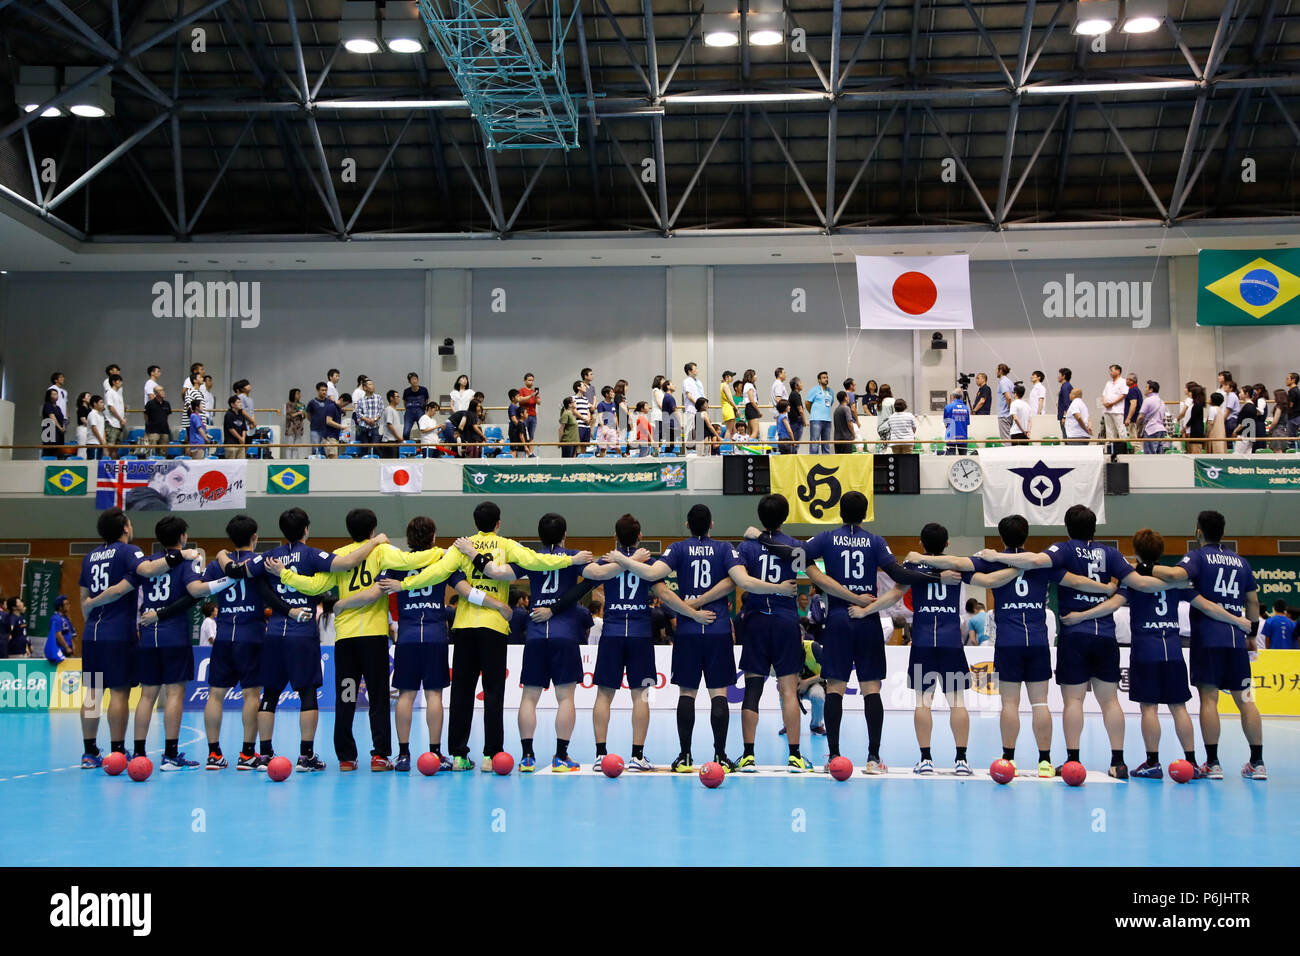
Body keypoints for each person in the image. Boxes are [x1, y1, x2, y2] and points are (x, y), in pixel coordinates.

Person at [387, 502, 590, 772]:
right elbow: (538, 561)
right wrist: (570, 560)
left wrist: (404, 584)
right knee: (493, 692)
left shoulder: (461, 547)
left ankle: (458, 755)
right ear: (498, 523)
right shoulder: (507, 545)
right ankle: (491, 756)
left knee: (462, 693)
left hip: (465, 626)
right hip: (494, 627)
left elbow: (434, 574)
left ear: (475, 522)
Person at [979, 504, 1176, 779]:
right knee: (1110, 702)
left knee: (1073, 701)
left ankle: (1073, 761)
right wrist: (1175, 584)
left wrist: (993, 555)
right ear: (1095, 528)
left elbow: (1037, 563)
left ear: (1068, 528)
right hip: (1106, 636)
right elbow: (1140, 584)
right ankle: (1117, 763)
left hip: (1074, 635)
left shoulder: (1063, 550)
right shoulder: (1111, 553)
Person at [765, 492, 949, 773]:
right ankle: (873, 759)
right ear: (865, 514)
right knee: (871, 689)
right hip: (868, 618)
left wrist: (763, 539)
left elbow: (795, 555)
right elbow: (899, 575)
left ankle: (834, 758)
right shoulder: (876, 542)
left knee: (835, 689)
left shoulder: (826, 538)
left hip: (838, 619)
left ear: (840, 512)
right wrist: (935, 575)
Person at [272, 508, 447, 771]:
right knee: (378, 698)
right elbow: (411, 561)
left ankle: (345, 757)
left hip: (346, 639)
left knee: (346, 697)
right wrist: (443, 552)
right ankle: (379, 756)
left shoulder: (340, 555)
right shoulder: (382, 551)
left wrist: (285, 574)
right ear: (373, 530)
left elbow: (314, 586)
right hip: (374, 639)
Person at [927, 515, 1091, 777]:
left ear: (1001, 538)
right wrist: (1107, 588)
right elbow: (1078, 582)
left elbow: (955, 563)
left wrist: (920, 558)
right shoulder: (1041, 563)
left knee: (1010, 705)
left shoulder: (990, 560)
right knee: (1040, 704)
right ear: (1026, 536)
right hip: (1037, 641)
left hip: (1008, 642)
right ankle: (1045, 763)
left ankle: (1009, 760)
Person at [348, 517, 507, 772]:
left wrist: (343, 604)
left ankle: (402, 754)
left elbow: (373, 592)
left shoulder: (397, 563)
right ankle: (435, 752)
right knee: (434, 694)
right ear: (433, 536)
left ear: (409, 538)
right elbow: (467, 592)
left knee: (406, 695)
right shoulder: (442, 561)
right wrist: (497, 604)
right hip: (434, 635)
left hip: (407, 636)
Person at [605, 504, 751, 773]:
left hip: (688, 629)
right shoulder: (725, 549)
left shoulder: (678, 548)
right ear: (712, 525)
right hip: (717, 626)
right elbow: (736, 581)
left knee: (688, 693)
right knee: (718, 693)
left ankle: (685, 757)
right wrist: (704, 604)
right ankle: (720, 755)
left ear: (686, 525)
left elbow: (652, 576)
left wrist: (623, 559)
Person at [1058, 529, 1208, 780]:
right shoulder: (1175, 580)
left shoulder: (1133, 579)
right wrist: (1239, 621)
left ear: (1136, 552)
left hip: (1146, 650)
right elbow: (1205, 604)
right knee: (1179, 707)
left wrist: (1081, 616)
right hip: (1172, 649)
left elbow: (1113, 604)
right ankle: (1192, 762)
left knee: (1149, 708)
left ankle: (1152, 762)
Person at [872, 523, 1018, 775]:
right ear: (947, 544)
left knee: (922, 703)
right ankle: (961, 760)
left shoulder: (913, 566)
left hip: (923, 643)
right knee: (957, 703)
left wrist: (867, 610)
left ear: (921, 543)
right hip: (951, 643)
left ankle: (926, 759)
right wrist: (1019, 567)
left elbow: (894, 595)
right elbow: (990, 580)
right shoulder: (957, 566)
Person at [1144, 510, 1265, 780]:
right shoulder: (1241, 562)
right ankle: (1257, 762)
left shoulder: (1198, 557)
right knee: (1246, 700)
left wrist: (1146, 567)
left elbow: (1176, 575)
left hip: (1208, 639)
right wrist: (1251, 634)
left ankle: (1213, 763)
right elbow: (1253, 602)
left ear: (1198, 531)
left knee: (1209, 700)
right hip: (1236, 640)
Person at [76, 507, 192, 768]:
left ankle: (89, 751)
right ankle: (118, 750)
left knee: (93, 693)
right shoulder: (129, 551)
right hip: (118, 634)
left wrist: (92, 618)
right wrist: (180, 555)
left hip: (92, 633)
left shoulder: (90, 557)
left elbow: (84, 599)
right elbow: (149, 570)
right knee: (119, 692)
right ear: (126, 527)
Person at [549, 514, 660, 772]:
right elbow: (663, 592)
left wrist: (553, 608)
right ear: (640, 535)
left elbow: (581, 589)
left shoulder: (606, 561)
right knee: (642, 696)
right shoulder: (649, 561)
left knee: (604, 695)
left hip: (612, 634)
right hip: (641, 636)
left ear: (615, 536)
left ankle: (600, 754)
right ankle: (638, 756)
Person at [131, 515, 240, 770]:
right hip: (173, 635)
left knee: (147, 695)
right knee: (175, 694)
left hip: (147, 634)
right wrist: (227, 580)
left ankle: (138, 753)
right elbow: (196, 591)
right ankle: (170, 754)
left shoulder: (148, 562)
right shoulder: (187, 560)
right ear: (183, 537)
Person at [490, 513, 592, 772]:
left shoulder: (529, 557)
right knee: (566, 697)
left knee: (529, 697)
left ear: (539, 536)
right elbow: (595, 577)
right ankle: (561, 757)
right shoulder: (574, 556)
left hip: (536, 633)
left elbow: (499, 573)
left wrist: (474, 555)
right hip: (564, 633)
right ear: (565, 534)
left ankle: (526, 757)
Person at [730, 495, 821, 772]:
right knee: (789, 690)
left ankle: (748, 756)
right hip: (784, 622)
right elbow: (809, 566)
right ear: (785, 517)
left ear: (760, 516)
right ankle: (795, 756)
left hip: (756, 621)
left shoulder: (746, 547)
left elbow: (739, 581)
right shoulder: (794, 546)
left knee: (753, 690)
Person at [1100, 364, 1128, 453]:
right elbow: (1104, 394)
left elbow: (1123, 395)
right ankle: (1111, 451)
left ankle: (1123, 450)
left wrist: (1112, 403)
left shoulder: (1123, 382)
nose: (1110, 373)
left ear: (1118, 371)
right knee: (1109, 431)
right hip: (1107, 410)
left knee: (1121, 430)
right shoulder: (1108, 383)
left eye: (1112, 370)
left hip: (1118, 410)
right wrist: (1104, 402)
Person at [806, 371, 834, 454]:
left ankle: (825, 462)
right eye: (824, 378)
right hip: (816, 420)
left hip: (827, 420)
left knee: (826, 443)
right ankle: (813, 461)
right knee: (814, 442)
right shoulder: (814, 390)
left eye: (827, 377)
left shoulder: (830, 391)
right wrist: (813, 413)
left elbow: (830, 404)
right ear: (819, 380)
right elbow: (807, 403)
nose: (826, 379)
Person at [1137, 380, 1166, 454]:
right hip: (1161, 430)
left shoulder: (1148, 400)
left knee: (1149, 455)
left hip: (1151, 429)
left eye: (1146, 387)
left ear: (1151, 390)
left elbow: (1140, 417)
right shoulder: (1162, 402)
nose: (1145, 389)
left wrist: (1138, 428)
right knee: (1160, 454)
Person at [682, 363, 705, 452]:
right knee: (689, 431)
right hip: (691, 409)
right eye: (695, 369)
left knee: (700, 431)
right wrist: (698, 404)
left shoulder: (699, 382)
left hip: (700, 410)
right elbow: (689, 395)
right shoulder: (687, 381)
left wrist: (704, 405)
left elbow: (702, 395)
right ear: (689, 371)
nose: (697, 370)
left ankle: (699, 451)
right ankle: (686, 451)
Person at [45, 595, 75, 662]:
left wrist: (72, 645)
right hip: (60, 651)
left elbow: (69, 633)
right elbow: (58, 634)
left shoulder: (66, 618)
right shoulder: (56, 618)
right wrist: (66, 647)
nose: (69, 606)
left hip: (68, 650)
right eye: (66, 604)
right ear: (60, 607)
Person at [103, 373, 126, 458]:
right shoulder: (110, 392)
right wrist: (120, 419)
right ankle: (107, 464)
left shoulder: (118, 394)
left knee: (116, 447)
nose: (121, 383)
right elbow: (111, 408)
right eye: (119, 381)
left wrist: (123, 419)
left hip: (119, 424)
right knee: (110, 446)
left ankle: (114, 463)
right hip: (112, 423)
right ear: (114, 382)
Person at [401, 373, 429, 441]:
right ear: (409, 381)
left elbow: (427, 400)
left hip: (420, 411)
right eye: (412, 379)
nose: (414, 381)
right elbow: (405, 402)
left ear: (418, 380)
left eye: (415, 379)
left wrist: (423, 408)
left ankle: (425, 446)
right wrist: (409, 409)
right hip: (409, 412)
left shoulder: (424, 390)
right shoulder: (406, 391)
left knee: (423, 430)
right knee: (406, 432)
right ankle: (406, 448)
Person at [942, 389, 970, 455]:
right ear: (961, 397)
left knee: (950, 459)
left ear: (953, 397)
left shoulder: (948, 407)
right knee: (963, 458)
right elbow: (967, 423)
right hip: (963, 437)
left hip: (951, 437)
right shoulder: (966, 408)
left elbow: (945, 422)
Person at [519, 372, 540, 456]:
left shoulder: (534, 392)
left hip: (533, 415)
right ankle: (524, 450)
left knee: (531, 435)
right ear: (525, 381)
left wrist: (535, 396)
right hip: (524, 416)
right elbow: (520, 400)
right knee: (523, 434)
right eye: (529, 380)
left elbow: (539, 402)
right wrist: (530, 396)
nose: (531, 382)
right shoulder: (522, 390)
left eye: (532, 380)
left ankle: (531, 453)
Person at [41, 387, 66, 455]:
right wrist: (60, 427)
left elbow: (62, 418)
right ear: (49, 396)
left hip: (59, 433)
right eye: (54, 394)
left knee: (59, 452)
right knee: (50, 452)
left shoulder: (58, 407)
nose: (56, 396)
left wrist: (63, 426)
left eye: (57, 394)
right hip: (50, 433)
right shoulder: (47, 405)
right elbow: (52, 417)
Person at [223, 395, 249, 459]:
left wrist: (243, 438)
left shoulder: (241, 415)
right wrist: (240, 438)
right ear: (232, 404)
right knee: (231, 464)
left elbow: (244, 428)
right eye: (238, 402)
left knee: (241, 463)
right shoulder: (228, 414)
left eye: (240, 402)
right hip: (231, 444)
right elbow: (231, 429)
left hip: (240, 444)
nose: (240, 404)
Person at [380, 389, 403, 458]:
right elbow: (389, 425)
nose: (399, 398)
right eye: (397, 397)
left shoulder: (395, 410)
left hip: (395, 441)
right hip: (389, 441)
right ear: (391, 398)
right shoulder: (389, 409)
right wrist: (398, 437)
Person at [284, 388, 306, 459]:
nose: (299, 395)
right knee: (290, 444)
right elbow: (289, 415)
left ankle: (294, 459)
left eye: (300, 394)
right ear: (293, 394)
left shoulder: (301, 404)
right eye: (297, 394)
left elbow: (304, 417)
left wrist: (303, 414)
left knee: (296, 445)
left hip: (299, 426)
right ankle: (288, 459)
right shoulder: (289, 404)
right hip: (291, 426)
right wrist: (298, 413)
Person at [1123, 373, 1143, 449]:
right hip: (1136, 418)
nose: (1126, 380)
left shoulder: (1132, 390)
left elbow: (1133, 404)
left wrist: (1128, 418)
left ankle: (1137, 455)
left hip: (1133, 419)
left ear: (1132, 381)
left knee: (1134, 441)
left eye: (1128, 379)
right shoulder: (1137, 390)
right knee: (1135, 439)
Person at [996, 363, 1015, 440]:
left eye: (997, 370)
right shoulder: (1010, 382)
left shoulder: (1003, 382)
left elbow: (1008, 397)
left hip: (1004, 415)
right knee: (1009, 438)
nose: (996, 372)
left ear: (1000, 371)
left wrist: (1011, 409)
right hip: (1009, 415)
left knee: (1005, 440)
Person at [787, 377, 806, 451]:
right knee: (795, 443)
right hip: (796, 421)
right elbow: (800, 410)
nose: (802, 384)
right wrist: (804, 421)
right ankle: (793, 459)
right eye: (800, 383)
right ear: (796, 385)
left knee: (793, 442)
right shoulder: (796, 395)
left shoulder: (793, 394)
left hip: (793, 421)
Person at [84, 395, 107, 459]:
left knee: (99, 463)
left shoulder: (101, 415)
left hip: (100, 443)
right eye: (101, 402)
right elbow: (94, 428)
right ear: (95, 404)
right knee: (92, 464)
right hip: (93, 443)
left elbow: (102, 429)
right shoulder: (92, 414)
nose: (103, 404)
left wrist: (104, 440)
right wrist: (101, 440)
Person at [741, 369, 761, 438]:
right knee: (755, 431)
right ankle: (747, 447)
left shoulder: (746, 385)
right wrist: (758, 411)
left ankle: (747, 447)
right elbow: (752, 400)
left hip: (749, 408)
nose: (756, 376)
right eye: (754, 374)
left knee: (750, 432)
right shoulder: (749, 385)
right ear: (750, 377)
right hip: (751, 408)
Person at [719, 370, 738, 440]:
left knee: (733, 430)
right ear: (727, 377)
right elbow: (730, 399)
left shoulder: (723, 385)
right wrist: (736, 408)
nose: (732, 378)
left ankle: (731, 446)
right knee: (729, 430)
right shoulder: (725, 385)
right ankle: (726, 446)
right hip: (728, 408)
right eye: (731, 376)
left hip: (727, 408)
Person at [1056, 368, 1074, 438]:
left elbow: (1067, 402)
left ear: (1063, 376)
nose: (1058, 376)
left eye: (1059, 375)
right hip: (1066, 416)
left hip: (1066, 417)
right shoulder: (1066, 386)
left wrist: (1064, 416)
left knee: (1066, 437)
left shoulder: (1065, 387)